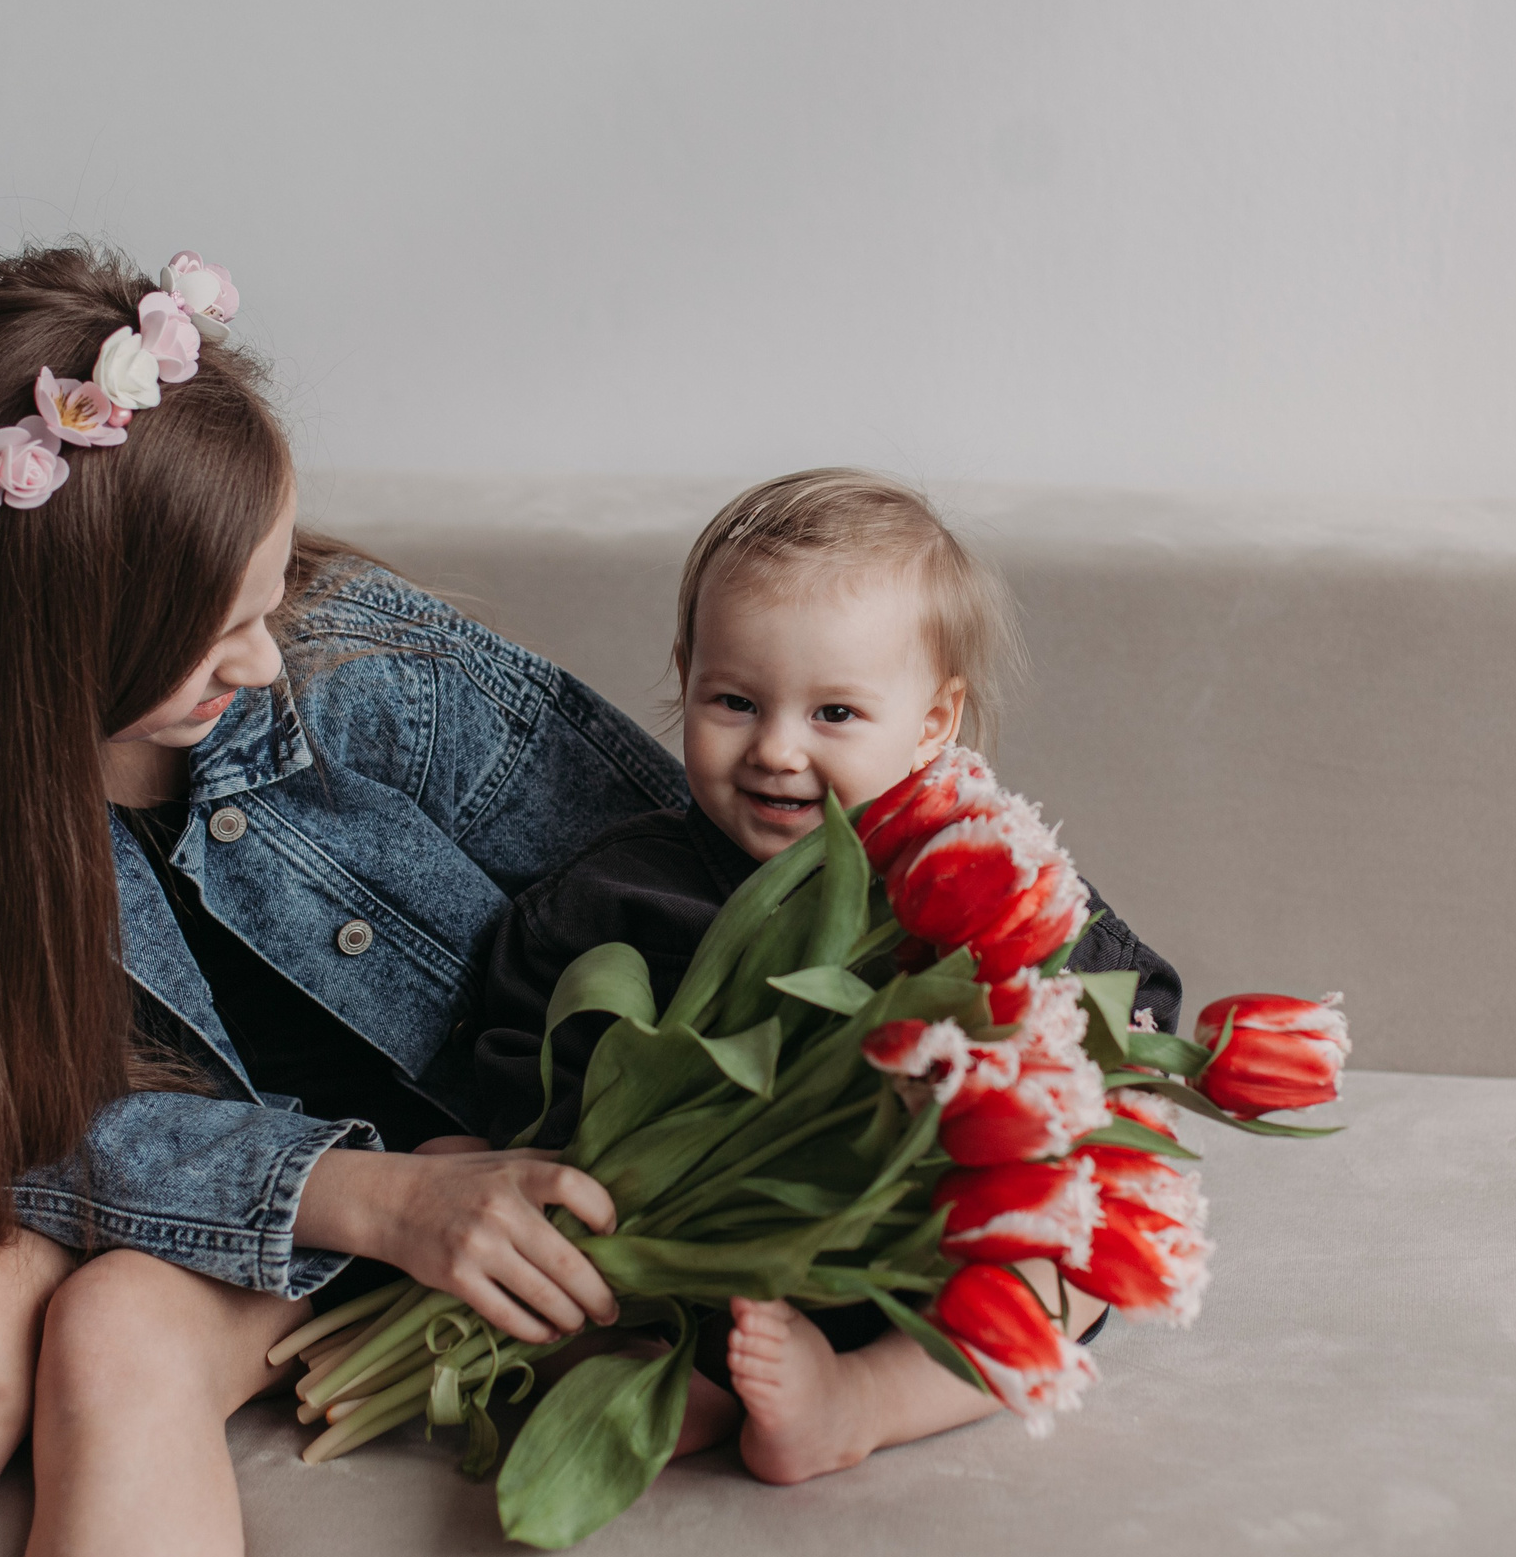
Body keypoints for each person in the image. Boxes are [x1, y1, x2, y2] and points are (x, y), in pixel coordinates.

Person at [0, 244, 685, 1557]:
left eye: (265, 599)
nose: (268, 659)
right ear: (47, 655)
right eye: (216, 637)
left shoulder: (364, 669)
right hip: (215, 1203)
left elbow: (696, 876)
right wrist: (362, 1194)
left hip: (479, 1181)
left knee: (113, 1326)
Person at [460, 468, 1181, 1485]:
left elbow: (1133, 1015)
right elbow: (513, 1058)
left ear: (934, 723)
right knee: (551, 1284)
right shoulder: (615, 895)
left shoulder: (978, 870)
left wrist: (1085, 1100)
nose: (777, 750)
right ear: (685, 672)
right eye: (735, 701)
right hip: (693, 1270)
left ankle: (865, 1402)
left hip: (911, 1248)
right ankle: (671, 1384)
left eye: (835, 712)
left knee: (1072, 1256)